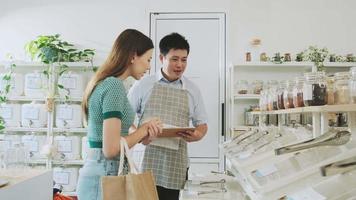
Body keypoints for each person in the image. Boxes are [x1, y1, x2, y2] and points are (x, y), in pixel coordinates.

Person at [76, 29, 162, 200]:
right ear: (133, 56)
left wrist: (144, 135)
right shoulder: (114, 86)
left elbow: (118, 138)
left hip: (103, 172)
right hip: (104, 173)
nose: (148, 66)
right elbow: (111, 149)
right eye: (148, 59)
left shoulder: (106, 83)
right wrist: (143, 130)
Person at [128, 32, 208, 200]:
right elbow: (125, 119)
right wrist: (139, 134)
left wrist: (197, 135)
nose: (180, 65)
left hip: (175, 161)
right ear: (161, 58)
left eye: (184, 60)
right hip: (145, 158)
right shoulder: (143, 84)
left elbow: (202, 123)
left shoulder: (192, 89)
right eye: (174, 59)